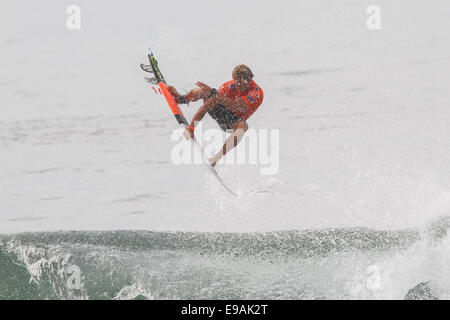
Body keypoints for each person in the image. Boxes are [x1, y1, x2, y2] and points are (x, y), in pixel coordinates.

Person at [168, 64, 264, 167]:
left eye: (239, 83)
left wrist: (214, 93)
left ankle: (215, 158)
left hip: (232, 122)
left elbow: (236, 106)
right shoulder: (230, 86)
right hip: (219, 112)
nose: (236, 86)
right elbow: (208, 104)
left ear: (248, 80)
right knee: (206, 92)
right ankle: (182, 99)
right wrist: (191, 128)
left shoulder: (256, 93)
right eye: (235, 82)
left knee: (243, 126)